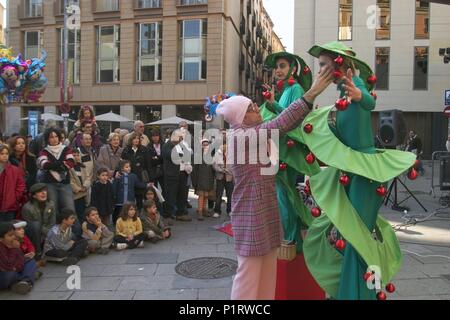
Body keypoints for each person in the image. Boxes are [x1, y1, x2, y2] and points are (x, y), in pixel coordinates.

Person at [302, 41, 416, 300]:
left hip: (365, 176)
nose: (319, 70)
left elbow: (368, 103)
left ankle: (356, 294)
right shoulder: (342, 94)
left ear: (337, 63)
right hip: (353, 174)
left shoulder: (354, 86)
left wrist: (359, 94)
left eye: (322, 64)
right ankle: (351, 291)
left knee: (358, 237)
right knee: (351, 235)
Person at [215, 62, 333, 300]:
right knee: (248, 278)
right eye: (250, 107)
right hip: (251, 217)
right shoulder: (242, 136)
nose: (257, 107)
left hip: (266, 213)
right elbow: (280, 124)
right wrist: (311, 93)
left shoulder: (251, 134)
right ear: (240, 117)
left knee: (268, 275)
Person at [260, 52, 318, 252]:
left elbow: (290, 118)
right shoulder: (287, 90)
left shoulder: (296, 89)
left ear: (293, 69)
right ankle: (292, 239)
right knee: (282, 194)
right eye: (276, 67)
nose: (277, 70)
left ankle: (291, 240)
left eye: (282, 66)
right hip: (280, 150)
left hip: (289, 152)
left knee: (286, 194)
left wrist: (273, 103)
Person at [37, 128, 76, 217]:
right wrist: (61, 164)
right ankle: (52, 230)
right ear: (47, 139)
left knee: (70, 208)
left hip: (65, 183)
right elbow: (44, 164)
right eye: (51, 137)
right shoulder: (44, 151)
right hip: (50, 184)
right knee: (52, 209)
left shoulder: (66, 149)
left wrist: (53, 165)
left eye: (56, 136)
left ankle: (72, 230)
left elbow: (71, 163)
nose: (54, 139)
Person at [162, 130, 192, 222]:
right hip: (171, 175)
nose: (180, 138)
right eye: (179, 136)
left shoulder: (182, 145)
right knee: (170, 195)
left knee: (182, 195)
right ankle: (168, 215)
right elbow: (172, 155)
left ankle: (181, 213)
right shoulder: (167, 145)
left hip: (183, 173)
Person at [0, 222, 38, 295]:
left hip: (14, 270)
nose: (13, 237)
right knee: (10, 274)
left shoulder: (12, 243)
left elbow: (21, 260)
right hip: (4, 276)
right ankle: (28, 276)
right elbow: (8, 266)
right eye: (10, 235)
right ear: (1, 239)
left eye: (14, 234)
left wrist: (17, 266)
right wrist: (13, 248)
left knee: (29, 260)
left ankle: (25, 281)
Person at [21, 183, 56, 259]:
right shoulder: (27, 208)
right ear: (34, 195)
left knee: (72, 236)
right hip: (33, 234)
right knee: (36, 225)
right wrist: (48, 233)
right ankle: (37, 252)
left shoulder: (51, 204)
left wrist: (51, 233)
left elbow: (52, 222)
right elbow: (31, 226)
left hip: (47, 231)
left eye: (44, 190)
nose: (44, 193)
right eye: (40, 191)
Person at [112, 160, 149, 225]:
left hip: (130, 199)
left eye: (129, 166)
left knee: (129, 211)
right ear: (122, 168)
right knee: (117, 212)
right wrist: (114, 196)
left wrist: (146, 185)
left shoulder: (133, 176)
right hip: (120, 199)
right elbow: (114, 187)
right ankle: (116, 224)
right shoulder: (118, 176)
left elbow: (138, 184)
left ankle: (128, 224)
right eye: (126, 167)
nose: (129, 168)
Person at [121, 132, 152, 209]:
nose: (136, 140)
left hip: (141, 177)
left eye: (138, 138)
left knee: (140, 198)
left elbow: (148, 165)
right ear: (131, 139)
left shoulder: (144, 150)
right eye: (134, 138)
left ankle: (140, 216)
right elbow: (122, 164)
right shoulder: (126, 150)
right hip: (129, 177)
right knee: (129, 199)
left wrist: (150, 179)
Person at [0, 144, 26, 222]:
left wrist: (15, 197)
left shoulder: (15, 170)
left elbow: (21, 185)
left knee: (8, 228)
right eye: (2, 154)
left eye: (6, 154)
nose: (5, 156)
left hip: (10, 205)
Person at [192, 139, 215, 221]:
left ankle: (204, 209)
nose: (205, 146)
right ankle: (200, 211)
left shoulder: (211, 155)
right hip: (200, 178)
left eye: (207, 144)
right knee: (201, 195)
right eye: (204, 144)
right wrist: (195, 180)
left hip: (209, 178)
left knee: (206, 195)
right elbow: (195, 169)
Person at [213, 141, 234, 218]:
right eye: (223, 145)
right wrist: (221, 170)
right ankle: (217, 211)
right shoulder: (217, 154)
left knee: (230, 195)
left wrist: (229, 171)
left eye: (226, 145)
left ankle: (230, 210)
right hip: (220, 177)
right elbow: (214, 165)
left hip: (229, 177)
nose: (225, 147)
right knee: (219, 195)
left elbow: (234, 165)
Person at [69, 149, 89, 224]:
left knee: (82, 214)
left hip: (83, 194)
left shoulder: (82, 166)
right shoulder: (69, 167)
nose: (76, 157)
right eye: (74, 155)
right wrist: (79, 189)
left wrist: (85, 186)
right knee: (75, 214)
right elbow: (70, 181)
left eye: (77, 155)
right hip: (75, 195)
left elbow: (87, 178)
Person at [77, 133, 96, 205]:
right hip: (83, 184)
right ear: (81, 140)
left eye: (90, 139)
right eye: (86, 139)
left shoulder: (93, 151)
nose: (88, 141)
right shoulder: (78, 152)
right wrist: (84, 184)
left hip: (91, 182)